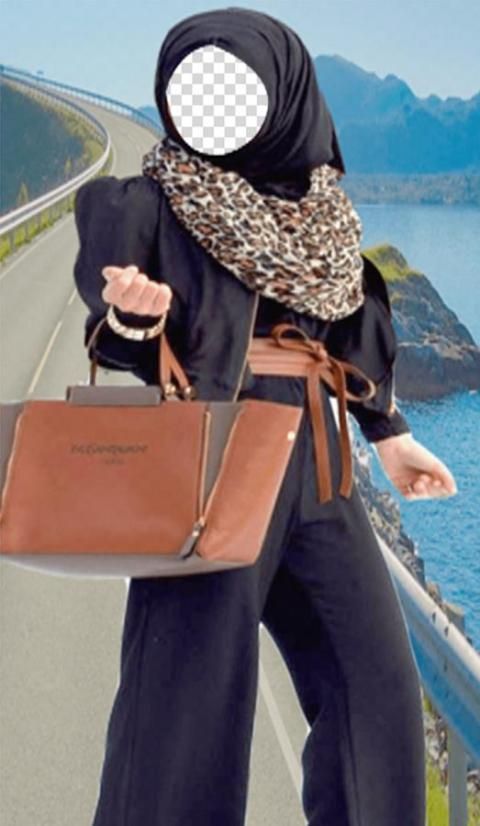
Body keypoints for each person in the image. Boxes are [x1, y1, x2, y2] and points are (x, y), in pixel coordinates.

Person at [73, 8, 457, 825]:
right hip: (210, 455)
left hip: (320, 462)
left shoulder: (322, 221)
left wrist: (391, 437)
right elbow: (115, 326)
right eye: (192, 88)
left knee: (375, 688)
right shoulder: (156, 201)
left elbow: (347, 333)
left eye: (232, 87)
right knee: (184, 706)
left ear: (286, 97)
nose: (209, 106)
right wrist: (135, 319)